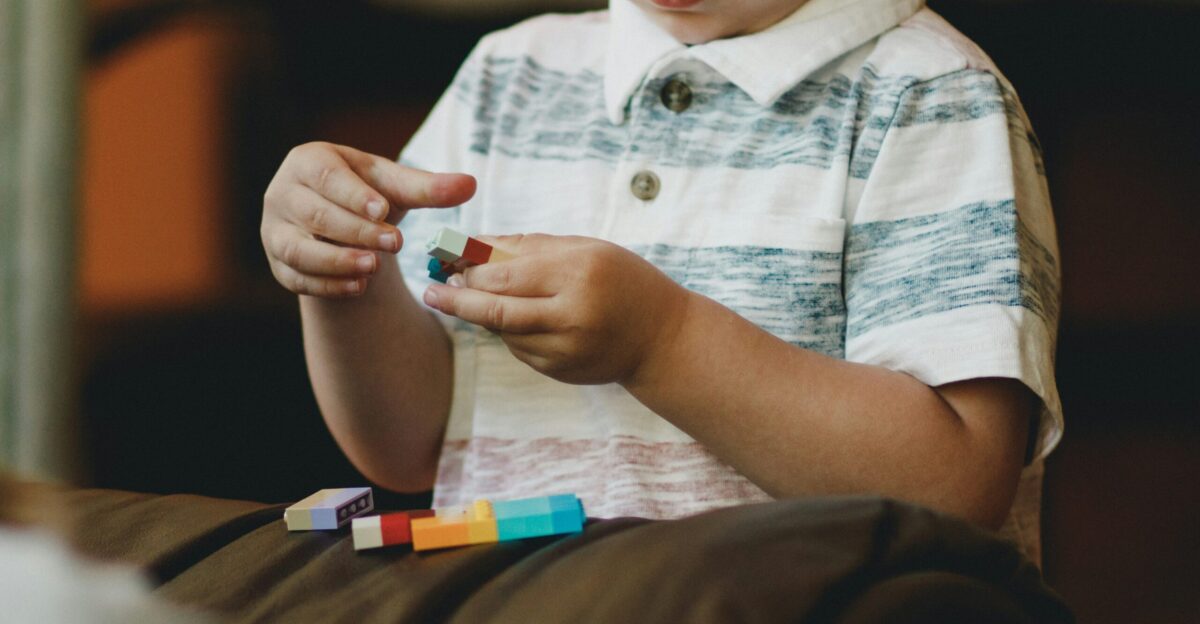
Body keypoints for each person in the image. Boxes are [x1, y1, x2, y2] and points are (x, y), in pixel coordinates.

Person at [260, 0, 1062, 563]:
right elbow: (410, 447)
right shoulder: (509, 76)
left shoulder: (929, 95)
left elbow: (956, 485)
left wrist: (662, 341)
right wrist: (344, 273)